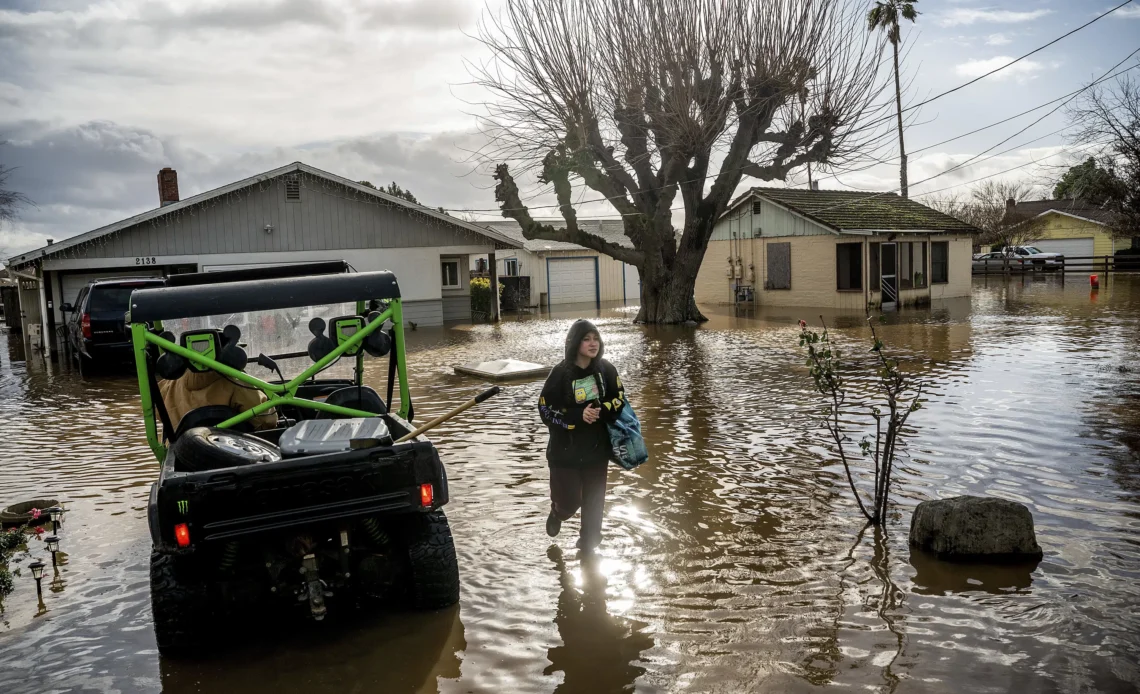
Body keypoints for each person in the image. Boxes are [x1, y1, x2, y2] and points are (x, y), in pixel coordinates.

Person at [538, 319, 625, 551]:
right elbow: (545, 409)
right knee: (570, 502)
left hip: (597, 452)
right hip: (564, 454)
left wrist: (602, 410)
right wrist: (578, 416)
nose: (592, 343)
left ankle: (589, 552)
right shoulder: (559, 373)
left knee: (594, 507)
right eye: (586, 339)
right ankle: (558, 512)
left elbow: (619, 400)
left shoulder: (607, 370)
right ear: (575, 342)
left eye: (595, 338)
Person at [158, 370, 277, 431]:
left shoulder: (167, 385)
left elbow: (156, 414)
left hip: (180, 459)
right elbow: (266, 421)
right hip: (232, 456)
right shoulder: (235, 382)